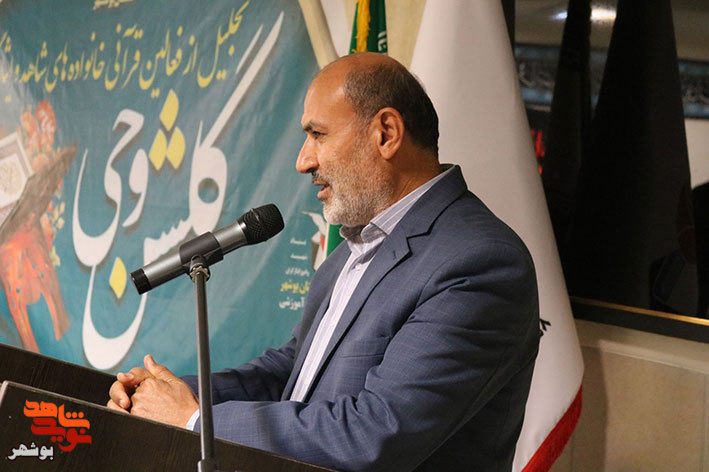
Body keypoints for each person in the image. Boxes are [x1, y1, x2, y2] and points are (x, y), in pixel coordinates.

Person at [108, 52, 540, 472]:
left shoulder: (478, 264)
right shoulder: (353, 248)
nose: (304, 161)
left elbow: (374, 434)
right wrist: (172, 394)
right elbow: (291, 373)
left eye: (318, 134)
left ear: (386, 133)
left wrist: (195, 421)